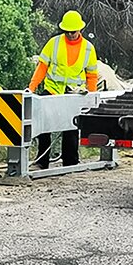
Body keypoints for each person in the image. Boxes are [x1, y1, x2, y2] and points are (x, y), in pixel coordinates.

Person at [28, 10, 98, 169]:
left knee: (71, 128)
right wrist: (31, 88)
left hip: (74, 94)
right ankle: (41, 162)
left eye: (73, 31)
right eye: (67, 31)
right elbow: (42, 67)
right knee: (43, 126)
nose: (70, 34)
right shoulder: (54, 43)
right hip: (52, 91)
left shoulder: (88, 48)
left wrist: (91, 97)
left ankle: (70, 162)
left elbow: (92, 75)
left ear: (80, 29)